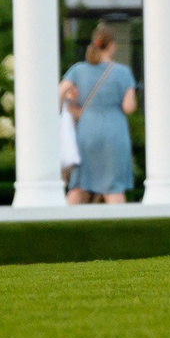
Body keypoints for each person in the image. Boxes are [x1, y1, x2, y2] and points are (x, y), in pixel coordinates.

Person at [64, 26, 138, 204]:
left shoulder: (78, 70)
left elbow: (60, 92)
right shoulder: (123, 72)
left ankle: (62, 222)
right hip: (114, 134)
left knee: (78, 188)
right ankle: (118, 223)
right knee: (113, 189)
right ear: (111, 46)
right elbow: (128, 107)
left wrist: (71, 107)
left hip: (86, 132)